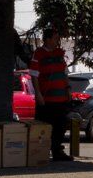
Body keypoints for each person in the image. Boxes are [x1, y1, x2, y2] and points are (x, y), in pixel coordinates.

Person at [29, 28, 75, 162]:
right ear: (48, 39)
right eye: (55, 38)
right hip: (46, 98)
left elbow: (64, 73)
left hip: (61, 98)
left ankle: (57, 151)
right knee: (45, 125)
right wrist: (38, 94)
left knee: (60, 125)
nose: (57, 41)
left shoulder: (59, 54)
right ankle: (40, 152)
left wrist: (68, 90)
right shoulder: (39, 54)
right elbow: (34, 75)